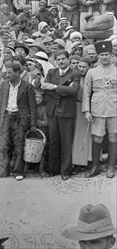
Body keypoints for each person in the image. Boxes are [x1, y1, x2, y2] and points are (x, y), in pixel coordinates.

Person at [0, 62, 37, 181]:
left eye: (10, 72)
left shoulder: (27, 86)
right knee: (4, 145)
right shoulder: (4, 85)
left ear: (17, 73)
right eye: (6, 72)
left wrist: (32, 124)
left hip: (19, 118)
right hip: (6, 116)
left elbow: (32, 107)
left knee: (19, 145)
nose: (7, 75)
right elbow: (0, 103)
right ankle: (1, 171)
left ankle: (18, 171)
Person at [41, 49, 80, 180]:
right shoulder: (52, 72)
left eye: (63, 59)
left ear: (68, 60)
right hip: (52, 110)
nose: (61, 61)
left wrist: (54, 87)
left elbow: (74, 90)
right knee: (54, 140)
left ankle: (65, 170)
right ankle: (53, 169)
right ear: (55, 61)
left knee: (66, 142)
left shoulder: (75, 73)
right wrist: (62, 90)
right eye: (58, 59)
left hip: (67, 111)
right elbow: (45, 87)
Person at [82, 41, 117, 179]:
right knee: (97, 137)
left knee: (113, 137)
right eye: (101, 55)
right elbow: (86, 93)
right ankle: (95, 166)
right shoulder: (92, 72)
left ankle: (111, 167)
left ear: (111, 54)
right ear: (98, 55)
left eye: (106, 54)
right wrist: (86, 111)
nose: (104, 57)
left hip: (114, 109)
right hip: (97, 110)